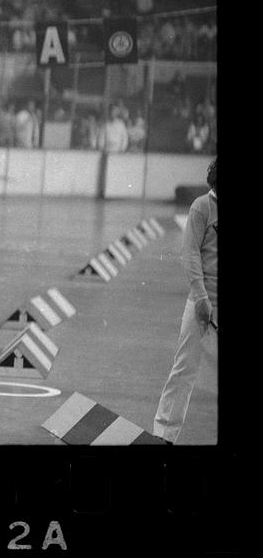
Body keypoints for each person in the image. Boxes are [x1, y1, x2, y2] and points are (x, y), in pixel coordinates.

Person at [153, 157, 217, 444]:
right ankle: (165, 435)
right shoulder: (202, 207)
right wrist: (201, 297)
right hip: (202, 303)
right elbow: (190, 254)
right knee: (184, 370)